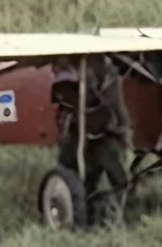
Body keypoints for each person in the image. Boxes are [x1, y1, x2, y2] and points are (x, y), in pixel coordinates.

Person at [52, 56, 133, 222]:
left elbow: (117, 109)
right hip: (79, 135)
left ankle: (116, 213)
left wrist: (123, 131)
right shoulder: (68, 79)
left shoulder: (109, 79)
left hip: (103, 135)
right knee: (75, 174)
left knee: (118, 179)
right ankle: (79, 212)